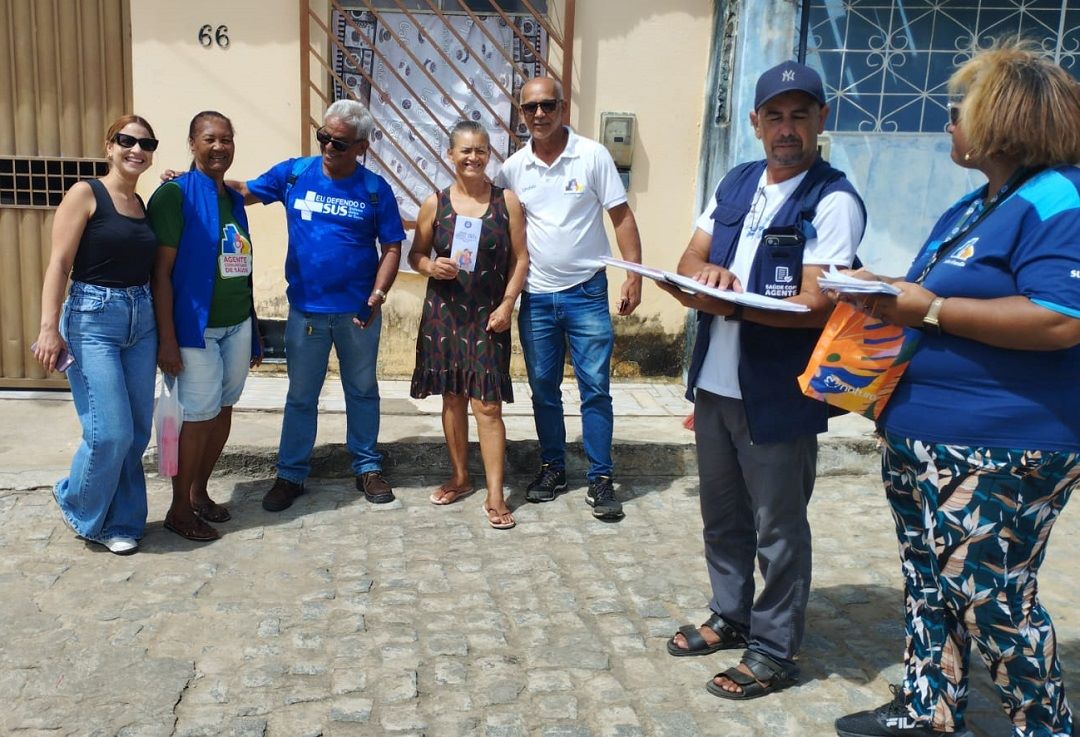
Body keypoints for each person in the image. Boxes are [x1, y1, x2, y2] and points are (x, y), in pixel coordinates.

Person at [832, 43, 1080, 737]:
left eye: (957, 111)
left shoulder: (1060, 197)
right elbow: (930, 297)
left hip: (1003, 443)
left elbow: (1061, 318)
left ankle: (1047, 726)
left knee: (991, 598)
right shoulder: (979, 205)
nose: (947, 122)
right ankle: (928, 712)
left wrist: (928, 309)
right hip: (929, 438)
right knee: (929, 582)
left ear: (1003, 120)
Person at [657, 61, 865, 699]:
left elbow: (817, 302)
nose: (786, 128)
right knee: (721, 513)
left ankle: (775, 649)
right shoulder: (739, 181)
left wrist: (731, 301)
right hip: (717, 382)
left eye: (800, 115)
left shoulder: (833, 199)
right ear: (755, 122)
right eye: (774, 115)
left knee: (778, 527)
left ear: (821, 121)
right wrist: (707, 278)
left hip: (778, 392)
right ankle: (731, 613)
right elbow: (691, 257)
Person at [227, 99, 405, 511]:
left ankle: (366, 466)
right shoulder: (295, 173)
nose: (327, 146)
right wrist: (193, 180)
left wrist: (376, 297)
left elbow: (392, 246)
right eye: (323, 136)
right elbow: (244, 191)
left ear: (361, 146)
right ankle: (291, 474)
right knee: (301, 396)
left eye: (339, 143)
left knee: (362, 391)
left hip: (358, 314)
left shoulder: (375, 190)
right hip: (306, 312)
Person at [494, 76, 643, 521]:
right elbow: (494, 230)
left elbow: (621, 217)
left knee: (595, 390)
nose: (539, 114)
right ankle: (553, 468)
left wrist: (633, 274)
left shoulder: (592, 156)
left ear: (563, 108)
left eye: (548, 105)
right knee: (543, 390)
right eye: (530, 107)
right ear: (521, 114)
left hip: (587, 294)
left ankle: (600, 479)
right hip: (537, 298)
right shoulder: (513, 169)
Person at [33, 115, 160, 555]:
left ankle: (123, 520)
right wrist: (50, 328)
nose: (136, 150)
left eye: (146, 143)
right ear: (109, 146)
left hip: (141, 321)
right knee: (110, 432)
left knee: (137, 430)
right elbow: (58, 264)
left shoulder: (143, 204)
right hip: (92, 320)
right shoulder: (86, 194)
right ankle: (77, 502)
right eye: (127, 141)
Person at [148, 111, 262, 542]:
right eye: (210, 139)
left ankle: (198, 492)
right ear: (192, 143)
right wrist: (168, 340)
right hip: (194, 330)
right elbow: (161, 274)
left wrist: (252, 327)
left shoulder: (232, 198)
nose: (220, 147)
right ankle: (178, 509)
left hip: (236, 325)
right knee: (196, 417)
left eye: (227, 139)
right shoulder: (174, 196)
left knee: (223, 408)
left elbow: (241, 267)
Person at [408, 120, 528, 529]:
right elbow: (416, 255)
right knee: (453, 398)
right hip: (444, 314)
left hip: (488, 316)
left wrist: (508, 303)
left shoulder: (506, 201)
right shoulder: (434, 204)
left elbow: (521, 259)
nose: (473, 157)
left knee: (488, 406)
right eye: (465, 150)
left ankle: (496, 493)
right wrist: (429, 265)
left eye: (480, 150)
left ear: (488, 154)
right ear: (451, 155)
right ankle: (460, 476)